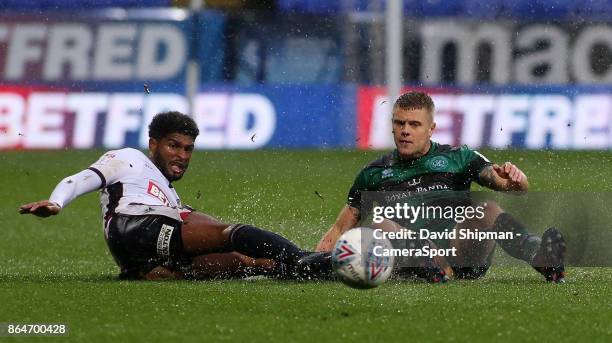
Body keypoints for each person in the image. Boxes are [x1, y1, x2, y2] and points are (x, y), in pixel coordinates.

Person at [20, 111, 329, 281]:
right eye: (174, 145)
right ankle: (302, 258)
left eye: (188, 149)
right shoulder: (129, 158)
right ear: (153, 143)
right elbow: (81, 179)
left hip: (136, 253)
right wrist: (57, 201)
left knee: (240, 263)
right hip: (136, 224)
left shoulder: (166, 190)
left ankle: (311, 270)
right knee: (231, 233)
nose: (182, 155)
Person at [316, 91, 566, 283]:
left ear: (431, 129)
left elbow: (505, 184)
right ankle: (428, 264)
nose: (405, 131)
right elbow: (341, 226)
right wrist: (313, 262)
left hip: (462, 250)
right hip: (414, 252)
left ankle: (543, 259)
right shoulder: (373, 174)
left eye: (414, 125)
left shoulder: (459, 157)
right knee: (381, 225)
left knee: (488, 209)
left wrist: (515, 181)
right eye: (399, 123)